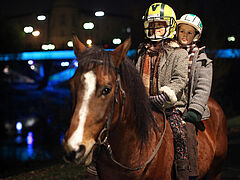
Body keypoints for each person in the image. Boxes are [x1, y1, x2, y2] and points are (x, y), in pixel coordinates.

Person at [136, 3, 190, 180]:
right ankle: (97, 166)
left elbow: (180, 79)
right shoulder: (142, 51)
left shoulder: (179, 53)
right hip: (144, 105)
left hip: (168, 106)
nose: (155, 29)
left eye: (160, 25)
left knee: (179, 133)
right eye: (152, 25)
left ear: (170, 26)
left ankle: (183, 170)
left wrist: (166, 95)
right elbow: (136, 77)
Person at [176, 14, 213, 179]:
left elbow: (203, 87)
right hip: (169, 102)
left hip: (187, 106)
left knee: (188, 132)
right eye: (182, 31)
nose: (184, 35)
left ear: (196, 36)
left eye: (189, 33)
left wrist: (195, 109)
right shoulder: (171, 53)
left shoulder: (202, 61)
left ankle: (189, 172)